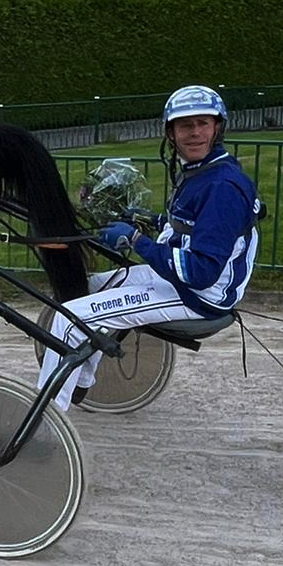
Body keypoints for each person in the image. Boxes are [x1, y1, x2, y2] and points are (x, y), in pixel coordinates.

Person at [37, 84, 262, 410]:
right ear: (171, 133)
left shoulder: (222, 186)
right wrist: (144, 220)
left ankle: (44, 422)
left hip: (197, 295)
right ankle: (81, 383)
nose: (195, 133)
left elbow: (200, 272)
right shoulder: (202, 173)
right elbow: (189, 229)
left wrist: (136, 240)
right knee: (84, 292)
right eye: (186, 125)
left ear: (217, 127)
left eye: (203, 123)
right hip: (179, 282)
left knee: (69, 319)